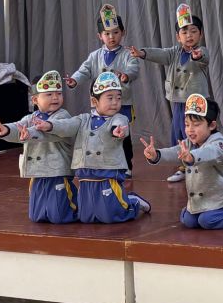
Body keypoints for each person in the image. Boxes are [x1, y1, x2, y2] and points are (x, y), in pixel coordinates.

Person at [31, 72, 150, 223]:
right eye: (110, 98)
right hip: (85, 173)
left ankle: (132, 201)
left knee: (110, 215)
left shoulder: (119, 118)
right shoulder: (83, 119)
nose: (115, 102)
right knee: (86, 217)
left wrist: (117, 131)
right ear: (94, 101)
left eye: (118, 98)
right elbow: (67, 125)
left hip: (107, 171)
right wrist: (49, 125)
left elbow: (120, 125)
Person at [129, 3, 211, 183]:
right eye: (184, 32)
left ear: (201, 34)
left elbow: (203, 58)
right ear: (178, 37)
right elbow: (160, 54)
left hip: (195, 103)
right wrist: (142, 53)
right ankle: (183, 166)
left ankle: (199, 164)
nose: (189, 35)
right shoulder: (174, 52)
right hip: (178, 102)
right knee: (178, 132)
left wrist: (197, 56)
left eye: (193, 31)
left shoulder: (201, 51)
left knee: (196, 132)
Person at [141, 93, 223, 229]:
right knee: (189, 221)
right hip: (205, 198)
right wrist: (156, 155)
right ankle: (206, 212)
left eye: (196, 124)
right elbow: (175, 151)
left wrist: (191, 157)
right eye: (187, 124)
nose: (190, 130)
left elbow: (210, 152)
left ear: (212, 125)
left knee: (207, 221)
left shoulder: (219, 143)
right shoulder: (189, 143)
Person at [0, 71, 77, 223]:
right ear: (35, 99)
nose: (55, 97)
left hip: (57, 171)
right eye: (49, 94)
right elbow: (18, 127)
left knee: (59, 215)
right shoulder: (30, 118)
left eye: (58, 93)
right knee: (37, 215)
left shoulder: (62, 116)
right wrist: (5, 130)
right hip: (37, 172)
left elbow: (54, 131)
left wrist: (32, 132)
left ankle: (76, 209)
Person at [67, 4, 140, 170]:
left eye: (116, 32)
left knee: (122, 134)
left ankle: (126, 166)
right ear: (100, 36)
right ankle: (102, 163)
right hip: (100, 106)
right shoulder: (95, 56)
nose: (111, 37)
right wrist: (75, 80)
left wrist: (126, 75)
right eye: (107, 33)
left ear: (123, 32)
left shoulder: (128, 54)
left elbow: (134, 69)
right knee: (101, 134)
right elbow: (84, 70)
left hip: (122, 104)